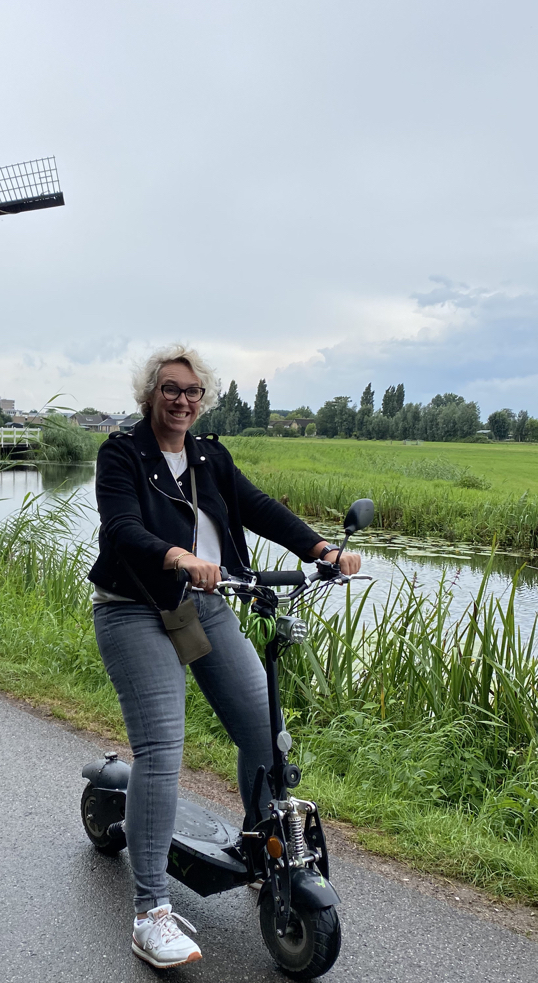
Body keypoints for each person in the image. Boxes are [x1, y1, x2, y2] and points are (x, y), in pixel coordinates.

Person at [89, 344, 361, 969]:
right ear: (149, 395)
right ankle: (151, 912)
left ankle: (261, 845)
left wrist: (319, 547)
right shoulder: (122, 453)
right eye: (170, 389)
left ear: (203, 400)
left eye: (192, 392)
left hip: (203, 605)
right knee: (162, 746)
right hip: (133, 605)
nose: (182, 400)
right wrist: (178, 557)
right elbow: (122, 528)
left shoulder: (210, 455)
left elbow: (256, 506)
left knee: (265, 731)